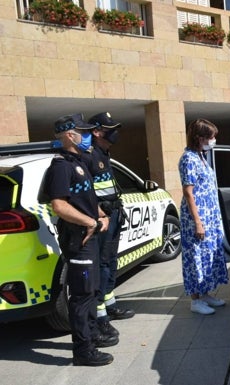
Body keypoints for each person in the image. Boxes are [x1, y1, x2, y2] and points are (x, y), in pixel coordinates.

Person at [43, 113, 116, 366]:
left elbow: (87, 199)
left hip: (91, 236)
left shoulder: (80, 161)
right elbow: (59, 206)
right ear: (69, 135)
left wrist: (101, 215)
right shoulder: (61, 166)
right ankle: (83, 350)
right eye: (82, 132)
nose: (87, 136)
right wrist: (90, 222)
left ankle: (93, 334)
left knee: (93, 289)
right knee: (82, 295)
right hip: (79, 240)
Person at [84, 112, 135, 339]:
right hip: (102, 218)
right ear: (97, 131)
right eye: (110, 128)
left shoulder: (104, 152)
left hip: (113, 213)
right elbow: (86, 193)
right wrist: (100, 213)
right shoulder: (90, 155)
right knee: (102, 265)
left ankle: (110, 303)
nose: (115, 133)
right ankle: (100, 315)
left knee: (111, 261)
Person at [178, 118, 228, 315]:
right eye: (211, 137)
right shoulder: (188, 159)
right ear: (199, 138)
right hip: (196, 218)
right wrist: (198, 222)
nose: (213, 140)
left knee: (208, 255)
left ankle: (205, 293)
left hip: (209, 215)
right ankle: (195, 300)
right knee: (196, 257)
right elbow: (188, 192)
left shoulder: (200, 156)